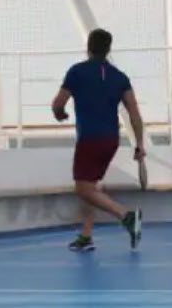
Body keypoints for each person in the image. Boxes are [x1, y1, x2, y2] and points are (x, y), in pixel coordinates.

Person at [51, 28, 145, 252]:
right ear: (108, 49)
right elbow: (134, 114)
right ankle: (85, 236)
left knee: (83, 189)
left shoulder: (76, 72)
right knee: (90, 186)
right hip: (111, 140)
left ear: (88, 47)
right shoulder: (120, 77)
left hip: (89, 139)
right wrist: (140, 145)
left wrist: (60, 115)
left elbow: (57, 104)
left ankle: (127, 216)